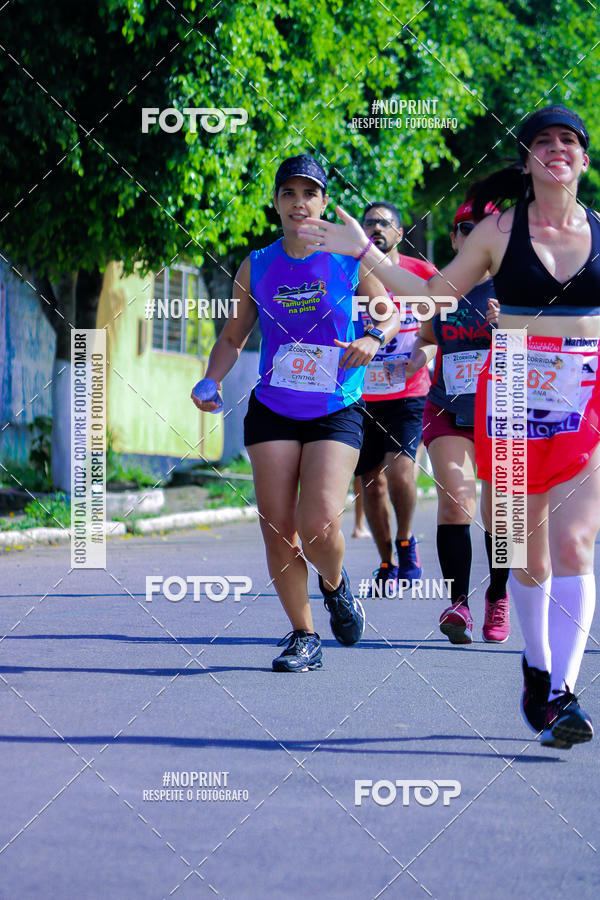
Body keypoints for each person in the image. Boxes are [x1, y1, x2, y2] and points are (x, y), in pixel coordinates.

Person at [299, 105, 597, 748]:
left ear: (583, 159)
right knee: (527, 552)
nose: (555, 149)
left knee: (576, 546)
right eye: (542, 141)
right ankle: (537, 672)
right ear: (527, 162)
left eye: (568, 141)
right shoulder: (497, 232)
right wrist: (366, 254)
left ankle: (563, 693)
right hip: (513, 391)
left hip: (586, 402)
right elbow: (429, 294)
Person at [192, 154, 400, 672]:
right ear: (277, 203)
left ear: (324, 202)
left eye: (310, 194)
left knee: (318, 520)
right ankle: (304, 635)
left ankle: (335, 585)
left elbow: (390, 310)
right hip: (274, 406)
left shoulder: (348, 256)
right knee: (276, 525)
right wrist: (211, 378)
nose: (299, 203)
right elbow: (233, 336)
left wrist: (374, 338)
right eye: (289, 193)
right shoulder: (257, 264)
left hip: (335, 405)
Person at [408, 199, 511, 644]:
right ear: (454, 238)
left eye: (485, 227)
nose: (473, 235)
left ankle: (499, 596)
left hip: (505, 411)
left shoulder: (517, 287)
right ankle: (459, 604)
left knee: (503, 516)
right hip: (448, 410)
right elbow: (430, 340)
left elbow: (550, 351)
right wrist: (418, 354)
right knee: (456, 500)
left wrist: (507, 328)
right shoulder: (439, 289)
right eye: (465, 227)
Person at [356, 202, 437, 595]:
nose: (376, 228)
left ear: (400, 233)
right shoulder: (349, 273)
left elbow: (443, 332)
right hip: (360, 394)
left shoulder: (422, 275)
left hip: (408, 390)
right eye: (369, 222)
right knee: (370, 484)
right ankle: (386, 560)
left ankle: (406, 542)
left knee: (401, 472)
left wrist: (427, 353)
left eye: (384, 223)